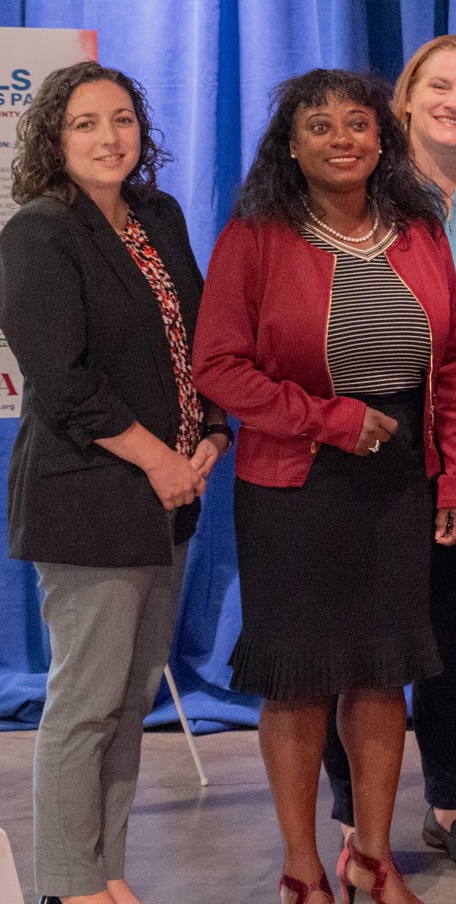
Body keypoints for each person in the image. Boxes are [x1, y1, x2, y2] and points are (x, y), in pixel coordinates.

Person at [194, 69, 456, 904]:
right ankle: (302, 867)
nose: (342, 138)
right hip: (294, 483)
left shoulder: (418, 230)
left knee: (382, 672)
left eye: (358, 122)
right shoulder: (255, 236)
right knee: (299, 677)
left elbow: (452, 363)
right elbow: (218, 366)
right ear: (290, 145)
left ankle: (371, 858)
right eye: (319, 126)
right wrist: (328, 419)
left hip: (401, 479)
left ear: (382, 137)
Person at [1, 64, 227, 904]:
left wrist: (213, 432)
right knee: (86, 700)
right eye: (86, 123)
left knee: (131, 698)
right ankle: (67, 882)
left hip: (169, 495)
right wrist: (161, 458)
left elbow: (199, 338)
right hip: (88, 496)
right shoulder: (38, 232)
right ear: (54, 138)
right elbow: (64, 383)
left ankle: (106, 869)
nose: (109, 137)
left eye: (123, 119)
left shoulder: (157, 216)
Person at [318, 35, 456, 871]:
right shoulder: (363, 193)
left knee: (455, 638)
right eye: (440, 86)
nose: (455, 104)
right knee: (356, 640)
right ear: (406, 96)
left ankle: (449, 801)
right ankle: (351, 815)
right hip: (379, 447)